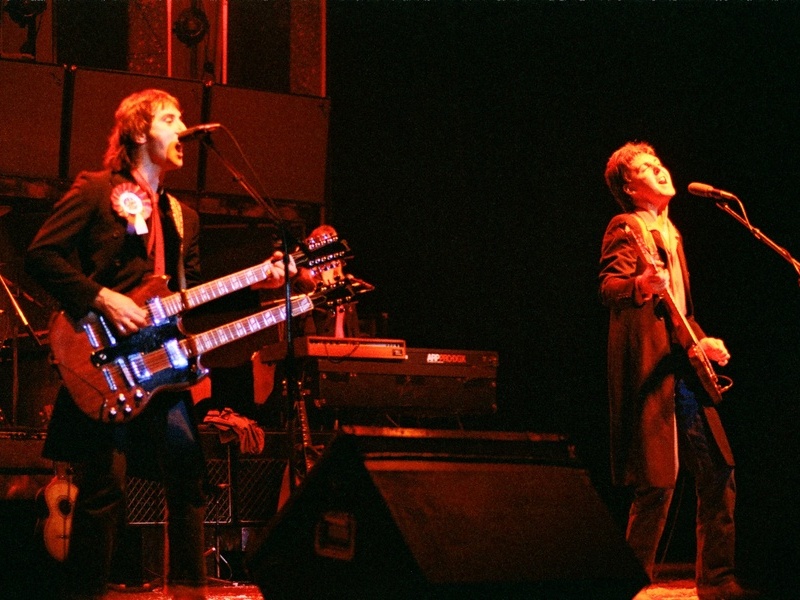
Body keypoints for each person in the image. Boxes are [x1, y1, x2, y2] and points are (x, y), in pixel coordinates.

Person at [25, 89, 292, 600]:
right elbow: (41, 255)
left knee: (190, 479)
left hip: (160, 365)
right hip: (101, 356)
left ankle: (189, 592)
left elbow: (182, 297)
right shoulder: (95, 190)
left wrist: (260, 281)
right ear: (140, 131)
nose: (183, 128)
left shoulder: (182, 216)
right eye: (171, 119)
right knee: (106, 489)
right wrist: (102, 297)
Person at [599, 142, 759, 600]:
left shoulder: (672, 232)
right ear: (629, 186)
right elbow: (609, 287)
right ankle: (626, 585)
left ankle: (718, 580)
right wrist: (640, 284)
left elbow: (681, 313)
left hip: (684, 369)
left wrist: (702, 340)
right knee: (657, 486)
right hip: (655, 374)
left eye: (659, 162)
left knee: (718, 470)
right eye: (647, 168)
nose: (661, 170)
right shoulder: (626, 227)